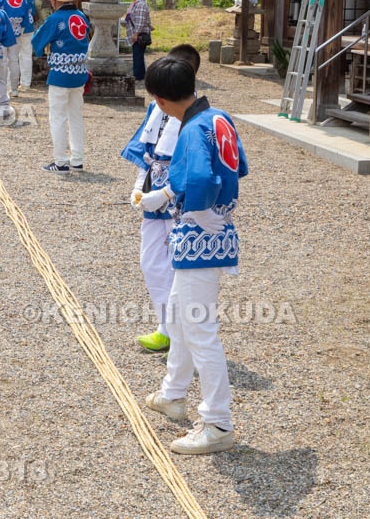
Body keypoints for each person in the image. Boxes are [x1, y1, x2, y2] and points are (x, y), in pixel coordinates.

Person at [139, 56, 247, 455]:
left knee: (200, 329)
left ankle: (218, 423)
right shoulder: (218, 117)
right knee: (182, 314)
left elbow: (199, 177)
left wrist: (196, 210)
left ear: (161, 102)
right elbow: (236, 168)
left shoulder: (190, 128)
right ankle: (173, 393)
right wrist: (168, 193)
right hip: (218, 227)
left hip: (200, 233)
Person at [120, 44, 201, 354]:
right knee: (152, 262)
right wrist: (141, 185)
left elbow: (197, 169)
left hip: (181, 201)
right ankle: (165, 326)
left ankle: (182, 333)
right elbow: (147, 150)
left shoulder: (199, 119)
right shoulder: (158, 108)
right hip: (154, 190)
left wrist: (168, 193)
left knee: (181, 266)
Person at [31, 0, 90, 172]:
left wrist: (42, 47)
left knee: (57, 117)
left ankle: (60, 161)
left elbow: (38, 41)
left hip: (60, 73)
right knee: (75, 116)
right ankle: (77, 159)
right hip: (79, 73)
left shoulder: (55, 19)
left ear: (55, 0)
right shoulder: (81, 16)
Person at [0, 0, 32, 98]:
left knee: (2, 61)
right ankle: (15, 89)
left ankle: (4, 88)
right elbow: (26, 15)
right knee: (14, 60)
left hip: (1, 32)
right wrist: (22, 29)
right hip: (17, 31)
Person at [7, 0, 38, 92]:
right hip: (29, 22)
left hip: (15, 23)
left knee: (12, 56)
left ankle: (11, 83)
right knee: (26, 53)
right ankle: (26, 83)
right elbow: (32, 6)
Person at [125, 0, 153, 81]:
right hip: (138, 32)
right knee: (138, 55)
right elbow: (143, 18)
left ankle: (138, 76)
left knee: (137, 55)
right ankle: (140, 75)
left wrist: (136, 34)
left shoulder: (140, 4)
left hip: (139, 34)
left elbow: (140, 20)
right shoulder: (137, 3)